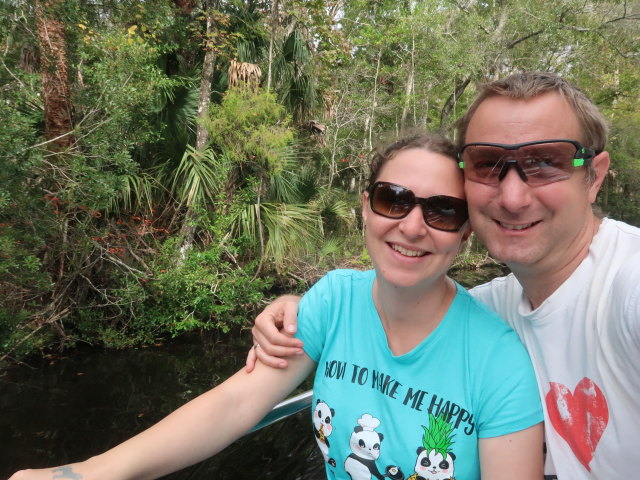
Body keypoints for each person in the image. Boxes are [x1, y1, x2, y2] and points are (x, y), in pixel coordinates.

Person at [8, 133, 544, 480]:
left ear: (465, 234)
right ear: (366, 207)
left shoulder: (498, 362)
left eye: (443, 211)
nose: (410, 226)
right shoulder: (334, 298)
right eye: (393, 199)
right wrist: (84, 474)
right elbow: (237, 403)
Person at [247, 72, 640, 480]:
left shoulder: (629, 286)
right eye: (487, 165)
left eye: (544, 163)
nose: (513, 197)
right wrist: (295, 308)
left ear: (594, 175)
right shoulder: (493, 307)